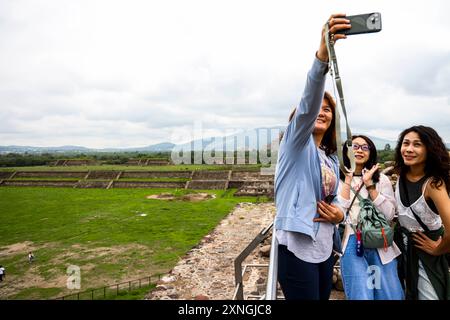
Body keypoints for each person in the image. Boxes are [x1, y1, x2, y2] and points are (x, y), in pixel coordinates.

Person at [273, 13, 351, 300]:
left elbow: (340, 195)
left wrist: (340, 212)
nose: (322, 111)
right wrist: (322, 56)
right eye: (319, 107)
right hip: (296, 247)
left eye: (328, 110)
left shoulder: (329, 159)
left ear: (332, 121)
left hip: (324, 248)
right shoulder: (296, 146)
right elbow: (308, 103)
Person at [337, 135, 404, 300]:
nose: (359, 150)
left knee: (389, 294)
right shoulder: (336, 178)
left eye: (364, 147)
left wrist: (370, 186)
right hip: (352, 239)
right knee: (361, 294)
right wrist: (348, 179)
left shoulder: (382, 179)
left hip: (380, 240)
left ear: (371, 152)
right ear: (346, 151)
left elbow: (389, 214)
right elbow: (339, 212)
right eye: (355, 146)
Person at [394, 125, 450, 300]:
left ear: (429, 149)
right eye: (406, 143)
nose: (409, 149)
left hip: (425, 252)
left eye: (417, 144)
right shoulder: (400, 174)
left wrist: (438, 249)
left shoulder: (433, 184)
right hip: (402, 249)